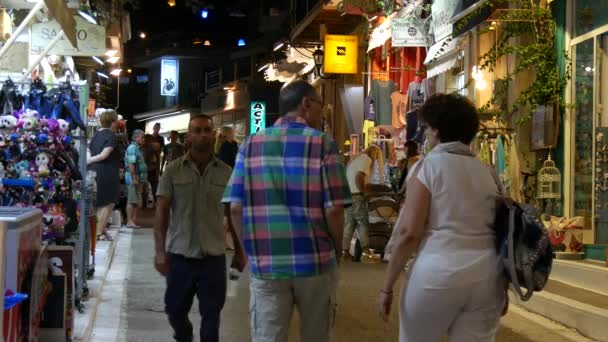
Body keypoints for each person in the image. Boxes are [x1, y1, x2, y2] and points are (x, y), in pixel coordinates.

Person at [223, 80, 352, 342]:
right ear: (306, 104)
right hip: (315, 262)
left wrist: (250, 251)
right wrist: (336, 250)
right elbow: (335, 210)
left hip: (267, 263)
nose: (322, 113)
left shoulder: (250, 145)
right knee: (315, 335)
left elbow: (235, 207)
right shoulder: (323, 144)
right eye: (320, 106)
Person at [378, 93, 506, 342]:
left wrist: (387, 286)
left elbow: (409, 232)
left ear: (436, 130)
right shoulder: (488, 173)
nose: (424, 134)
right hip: (487, 277)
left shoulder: (428, 167)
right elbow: (500, 232)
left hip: (437, 273)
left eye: (426, 128)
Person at [153, 114, 246, 342]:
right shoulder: (173, 171)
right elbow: (161, 213)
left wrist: (240, 252)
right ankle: (184, 336)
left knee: (211, 317)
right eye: (197, 130)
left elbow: (232, 214)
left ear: (214, 134)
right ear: (188, 136)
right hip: (180, 257)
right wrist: (160, 252)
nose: (202, 134)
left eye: (207, 130)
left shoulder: (226, 172)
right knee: (174, 310)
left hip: (212, 258)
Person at [342, 144, 382, 260]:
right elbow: (359, 177)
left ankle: (344, 252)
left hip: (349, 196)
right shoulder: (366, 159)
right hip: (357, 196)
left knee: (349, 224)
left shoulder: (357, 159)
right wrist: (364, 192)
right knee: (362, 222)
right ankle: (365, 250)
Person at [88, 110, 121, 240]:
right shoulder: (111, 136)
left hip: (94, 171)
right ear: (113, 122)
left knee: (97, 203)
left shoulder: (96, 135)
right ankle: (99, 232)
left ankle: (97, 230)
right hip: (107, 171)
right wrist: (90, 160)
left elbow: (90, 151)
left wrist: (89, 161)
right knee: (108, 202)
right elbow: (104, 155)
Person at [124, 129, 147, 228]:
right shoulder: (132, 148)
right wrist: (134, 177)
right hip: (133, 177)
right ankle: (130, 221)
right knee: (132, 200)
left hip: (137, 178)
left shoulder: (136, 148)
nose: (143, 139)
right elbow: (131, 163)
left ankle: (133, 220)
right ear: (136, 137)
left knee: (136, 200)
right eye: (142, 137)